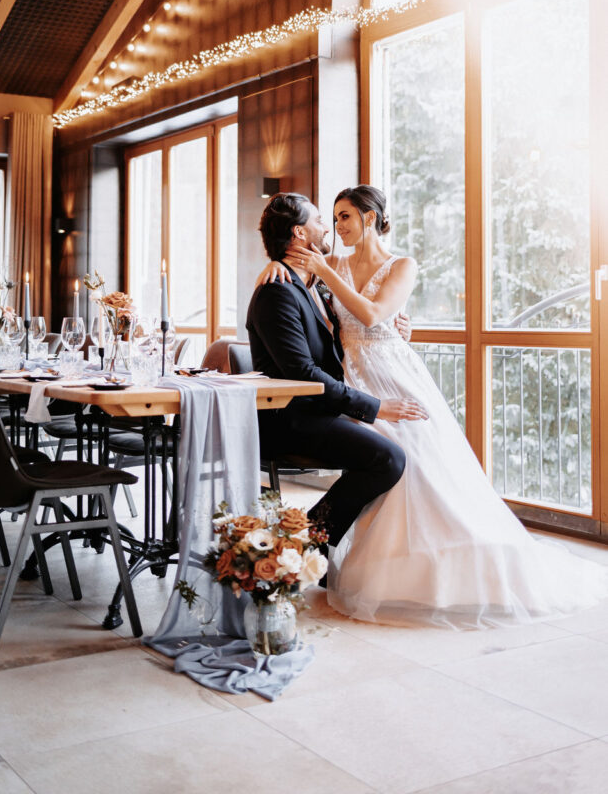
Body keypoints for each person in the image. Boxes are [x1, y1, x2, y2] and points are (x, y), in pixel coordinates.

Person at [258, 184, 608, 627]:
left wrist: (389, 320)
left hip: (394, 373)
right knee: (384, 464)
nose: (335, 225)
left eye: (344, 216)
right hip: (357, 381)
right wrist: (272, 265)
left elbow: (371, 313)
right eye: (329, 217)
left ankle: (434, 565)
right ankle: (327, 553)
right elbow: (304, 301)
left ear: (370, 218)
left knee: (423, 467)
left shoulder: (396, 265)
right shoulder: (330, 266)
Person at [246, 192, 428, 557]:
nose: (327, 226)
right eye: (319, 220)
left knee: (409, 449)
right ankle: (303, 543)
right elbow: (303, 374)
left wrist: (396, 329)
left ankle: (357, 555)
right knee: (388, 459)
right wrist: (376, 407)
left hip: (322, 408)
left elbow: (354, 328)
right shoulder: (278, 291)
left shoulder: (309, 284)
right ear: (299, 234)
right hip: (292, 419)